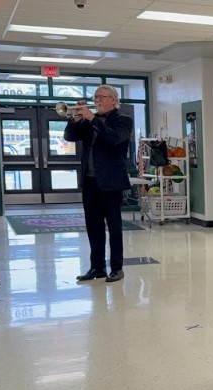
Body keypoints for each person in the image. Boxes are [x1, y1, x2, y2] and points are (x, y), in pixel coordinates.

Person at [66, 84, 134, 283]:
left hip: (112, 182)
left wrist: (92, 119)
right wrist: (75, 120)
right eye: (95, 97)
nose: (97, 100)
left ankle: (117, 268)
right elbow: (69, 137)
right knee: (93, 226)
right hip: (90, 182)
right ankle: (97, 267)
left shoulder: (123, 120)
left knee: (114, 227)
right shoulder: (88, 122)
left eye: (101, 97)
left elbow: (114, 139)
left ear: (113, 100)